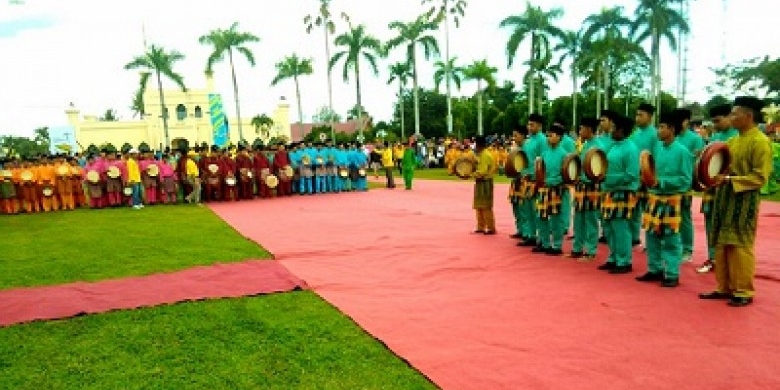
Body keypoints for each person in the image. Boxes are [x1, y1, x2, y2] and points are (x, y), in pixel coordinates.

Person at [699, 96, 773, 307]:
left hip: (744, 201)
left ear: (748, 116)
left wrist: (730, 179)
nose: (731, 117)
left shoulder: (760, 142)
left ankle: (743, 290)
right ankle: (724, 287)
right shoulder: (732, 141)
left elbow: (760, 177)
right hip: (725, 198)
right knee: (722, 243)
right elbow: (719, 166)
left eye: (735, 113)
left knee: (740, 245)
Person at [636, 112, 693, 287]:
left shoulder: (682, 151)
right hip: (654, 198)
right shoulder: (658, 149)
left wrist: (661, 182)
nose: (658, 130)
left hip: (671, 200)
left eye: (661, 127)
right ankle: (655, 269)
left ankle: (672, 274)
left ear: (672, 129)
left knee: (670, 238)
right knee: (651, 235)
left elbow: (685, 180)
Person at [697, 104, 739, 273]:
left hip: (728, 187)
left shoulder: (736, 137)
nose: (715, 124)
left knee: (727, 224)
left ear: (729, 117)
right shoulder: (715, 137)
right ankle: (713, 257)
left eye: (718, 120)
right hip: (712, 188)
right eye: (713, 121)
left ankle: (727, 261)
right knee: (710, 222)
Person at [597, 114, 640, 274]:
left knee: (620, 227)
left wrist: (609, 179)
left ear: (622, 130)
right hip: (609, 191)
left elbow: (632, 174)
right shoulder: (614, 146)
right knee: (608, 227)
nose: (611, 131)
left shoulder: (631, 148)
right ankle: (613, 257)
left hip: (623, 192)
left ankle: (624, 261)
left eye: (614, 128)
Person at [672, 108, 705, 263]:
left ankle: (687, 248)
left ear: (686, 121)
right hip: (669, 184)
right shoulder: (672, 137)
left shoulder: (695, 139)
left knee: (684, 216)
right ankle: (674, 246)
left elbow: (697, 163)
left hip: (684, 183)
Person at [534, 124, 568, 255]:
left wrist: (558, 183)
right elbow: (540, 171)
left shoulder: (564, 155)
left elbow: (567, 175)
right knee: (541, 217)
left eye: (551, 135)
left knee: (555, 219)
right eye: (547, 135)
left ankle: (557, 245)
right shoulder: (544, 153)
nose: (548, 138)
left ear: (559, 137)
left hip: (556, 189)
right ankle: (545, 243)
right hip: (544, 189)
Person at [570, 118, 601, 260]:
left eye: (582, 128)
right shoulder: (584, 145)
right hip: (581, 186)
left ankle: (590, 251)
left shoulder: (598, 146)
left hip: (592, 186)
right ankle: (577, 248)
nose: (580, 131)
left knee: (591, 219)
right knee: (578, 219)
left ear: (589, 129)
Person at [629, 103, 659, 247]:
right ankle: (634, 237)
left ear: (650, 117)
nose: (637, 118)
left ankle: (650, 242)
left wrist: (648, 175)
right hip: (635, 176)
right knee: (634, 208)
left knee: (649, 209)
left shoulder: (655, 134)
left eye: (641, 115)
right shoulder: (635, 134)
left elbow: (656, 157)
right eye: (637, 115)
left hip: (649, 176)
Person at [471, 136, 496, 234]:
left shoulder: (485, 155)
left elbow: (482, 171)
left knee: (486, 206)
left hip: (485, 182)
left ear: (479, 145)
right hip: (480, 181)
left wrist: (469, 174)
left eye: (476, 145)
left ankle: (490, 227)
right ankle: (480, 226)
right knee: (479, 205)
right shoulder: (481, 154)